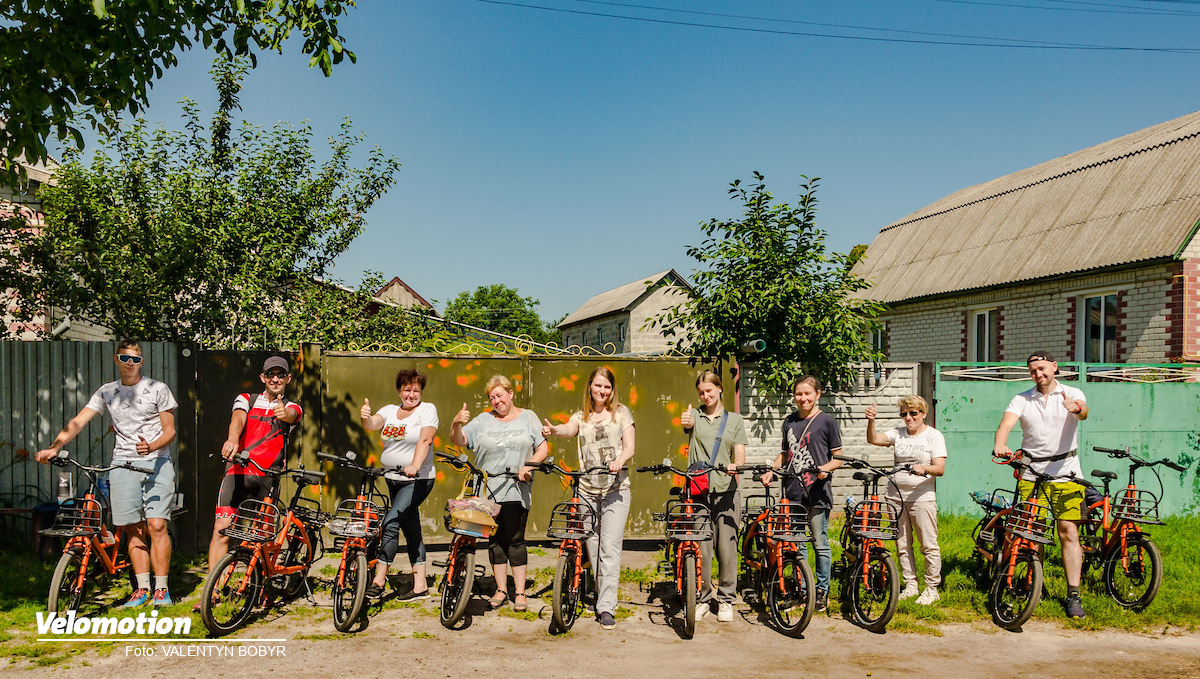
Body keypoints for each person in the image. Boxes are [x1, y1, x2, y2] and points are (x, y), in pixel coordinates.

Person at [35, 340, 179, 607]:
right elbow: (78, 421)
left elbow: (169, 430)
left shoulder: (157, 389)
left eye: (135, 359)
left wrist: (152, 445)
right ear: (116, 359)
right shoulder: (106, 392)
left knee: (157, 526)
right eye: (125, 358)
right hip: (122, 464)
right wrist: (54, 447)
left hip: (157, 462)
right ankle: (142, 589)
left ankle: (162, 589)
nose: (130, 363)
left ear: (142, 362)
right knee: (132, 529)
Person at [196, 355, 302, 611]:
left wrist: (283, 412)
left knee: (263, 537)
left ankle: (263, 589)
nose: (275, 379)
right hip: (238, 471)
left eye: (281, 375)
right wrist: (232, 439)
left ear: (288, 379)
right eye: (270, 375)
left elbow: (290, 416)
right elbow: (238, 419)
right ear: (263, 378)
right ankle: (213, 591)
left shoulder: (294, 406)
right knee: (221, 528)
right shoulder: (246, 399)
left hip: (269, 477)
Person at [994, 351, 1089, 619]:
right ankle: (1033, 583)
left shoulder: (1071, 392)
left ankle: (1073, 595)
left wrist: (1076, 408)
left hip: (1066, 472)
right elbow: (1005, 425)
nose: (1039, 374)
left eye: (1043, 368)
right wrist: (1000, 443)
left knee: (1068, 532)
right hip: (1031, 472)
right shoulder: (1022, 398)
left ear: (1054, 367)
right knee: (1030, 532)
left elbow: (1083, 411)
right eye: (1034, 370)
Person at [541, 367, 636, 630]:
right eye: (597, 386)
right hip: (587, 491)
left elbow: (630, 446)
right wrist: (553, 431)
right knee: (593, 549)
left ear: (612, 389)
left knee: (610, 549)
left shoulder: (621, 413)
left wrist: (619, 460)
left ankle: (606, 607)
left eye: (606, 387)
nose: (602, 391)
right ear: (590, 388)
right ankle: (601, 597)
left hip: (615, 491)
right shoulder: (581, 417)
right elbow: (568, 429)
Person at [449, 375, 549, 613]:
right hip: (486, 488)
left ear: (510, 393)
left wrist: (530, 465)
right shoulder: (483, 420)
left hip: (516, 486)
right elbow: (461, 440)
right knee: (494, 540)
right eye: (492, 397)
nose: (496, 400)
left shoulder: (529, 417)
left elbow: (542, 446)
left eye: (500, 395)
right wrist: (456, 424)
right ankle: (501, 590)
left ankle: (521, 592)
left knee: (514, 539)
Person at [761, 375, 843, 614]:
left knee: (820, 542)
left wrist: (824, 470)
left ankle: (822, 592)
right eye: (799, 394)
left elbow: (837, 457)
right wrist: (771, 471)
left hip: (817, 491)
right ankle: (803, 590)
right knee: (798, 544)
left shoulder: (827, 422)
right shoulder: (788, 422)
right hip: (793, 492)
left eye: (808, 393)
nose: (803, 398)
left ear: (818, 394)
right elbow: (785, 455)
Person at [360, 368, 437, 600]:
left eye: (416, 390)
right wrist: (365, 416)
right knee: (411, 528)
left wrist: (414, 465)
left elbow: (426, 439)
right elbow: (372, 425)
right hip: (392, 479)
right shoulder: (389, 411)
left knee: (391, 522)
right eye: (407, 389)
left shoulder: (427, 409)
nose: (411, 394)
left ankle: (378, 580)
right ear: (399, 391)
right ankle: (420, 585)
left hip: (417, 479)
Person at [679, 370, 747, 623]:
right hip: (698, 489)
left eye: (709, 390)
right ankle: (703, 597)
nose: (705, 395)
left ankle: (727, 599)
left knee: (727, 548)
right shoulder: (695, 415)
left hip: (726, 489)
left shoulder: (735, 420)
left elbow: (739, 453)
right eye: (701, 392)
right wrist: (686, 420)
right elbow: (687, 423)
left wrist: (736, 465)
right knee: (703, 549)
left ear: (719, 389)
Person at [865, 395, 946, 606]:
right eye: (904, 414)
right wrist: (871, 421)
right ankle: (910, 585)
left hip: (921, 496)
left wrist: (924, 468)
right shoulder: (898, 434)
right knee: (902, 543)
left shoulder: (933, 436)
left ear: (923, 414)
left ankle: (932, 588)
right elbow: (874, 439)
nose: (909, 418)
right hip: (895, 495)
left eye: (913, 413)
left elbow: (940, 468)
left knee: (928, 543)